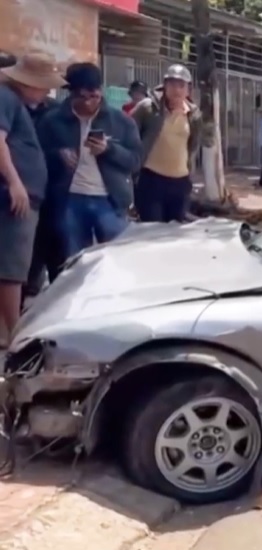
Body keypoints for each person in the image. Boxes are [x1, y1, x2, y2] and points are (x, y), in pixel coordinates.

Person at [38, 62, 141, 260]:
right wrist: (58, 155)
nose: (87, 103)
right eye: (81, 97)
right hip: (70, 199)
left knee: (115, 260)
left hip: (110, 201)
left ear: (101, 92)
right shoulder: (52, 121)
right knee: (74, 262)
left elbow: (135, 161)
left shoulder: (121, 121)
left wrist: (109, 149)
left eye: (93, 97)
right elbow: (37, 157)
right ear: (71, 93)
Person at [0, 52, 65, 348]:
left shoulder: (16, 104)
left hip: (26, 195)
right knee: (12, 269)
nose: (47, 91)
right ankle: (13, 333)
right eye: (43, 85)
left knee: (15, 266)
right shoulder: (5, 98)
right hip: (13, 196)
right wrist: (15, 182)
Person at [131, 64, 201, 222]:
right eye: (172, 84)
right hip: (151, 180)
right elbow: (128, 130)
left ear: (188, 90)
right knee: (153, 230)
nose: (177, 90)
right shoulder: (148, 108)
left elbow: (193, 145)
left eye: (181, 85)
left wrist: (190, 173)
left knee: (175, 234)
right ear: (164, 86)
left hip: (180, 183)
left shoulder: (194, 114)